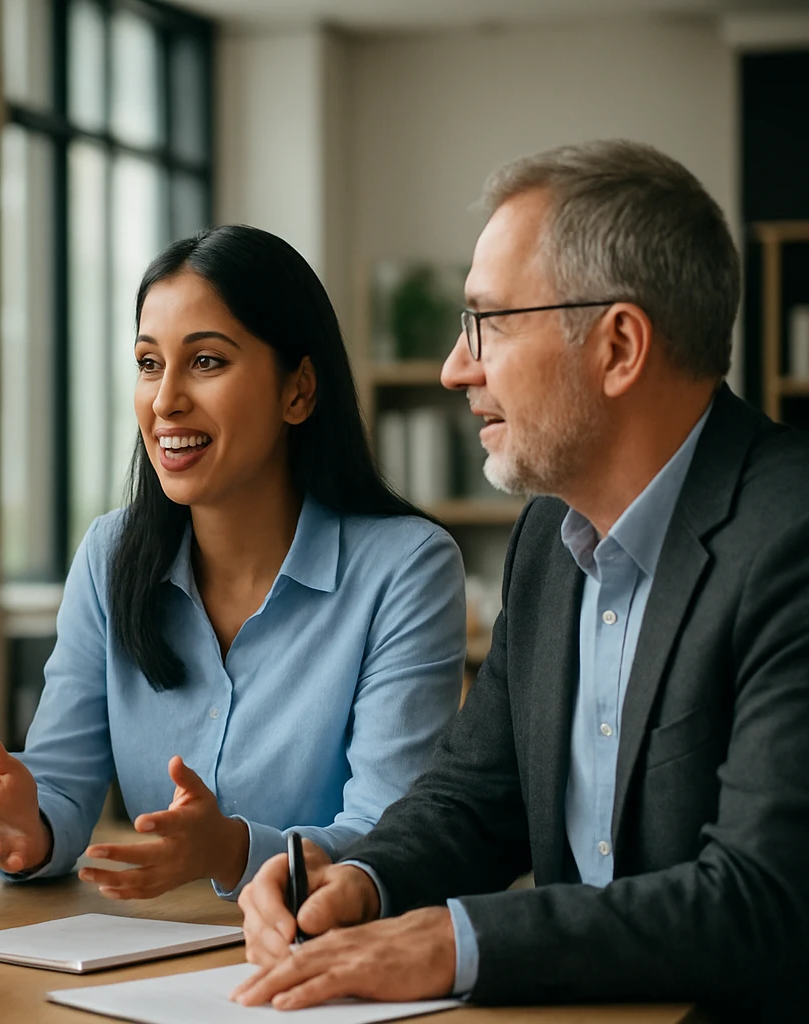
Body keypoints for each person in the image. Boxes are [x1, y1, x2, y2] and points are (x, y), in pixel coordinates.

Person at [233, 140, 809, 1018]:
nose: (454, 368)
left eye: (489, 323)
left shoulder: (790, 536)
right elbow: (475, 800)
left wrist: (453, 942)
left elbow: (760, 899)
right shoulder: (548, 536)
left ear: (618, 345)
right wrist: (360, 881)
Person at [0, 225, 466, 901]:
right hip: (154, 965)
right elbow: (60, 788)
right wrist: (29, 827)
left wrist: (233, 849)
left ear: (300, 391)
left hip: (326, 961)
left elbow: (391, 834)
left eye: (206, 362)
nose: (166, 400)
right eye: (148, 363)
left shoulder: (408, 569)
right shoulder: (110, 557)